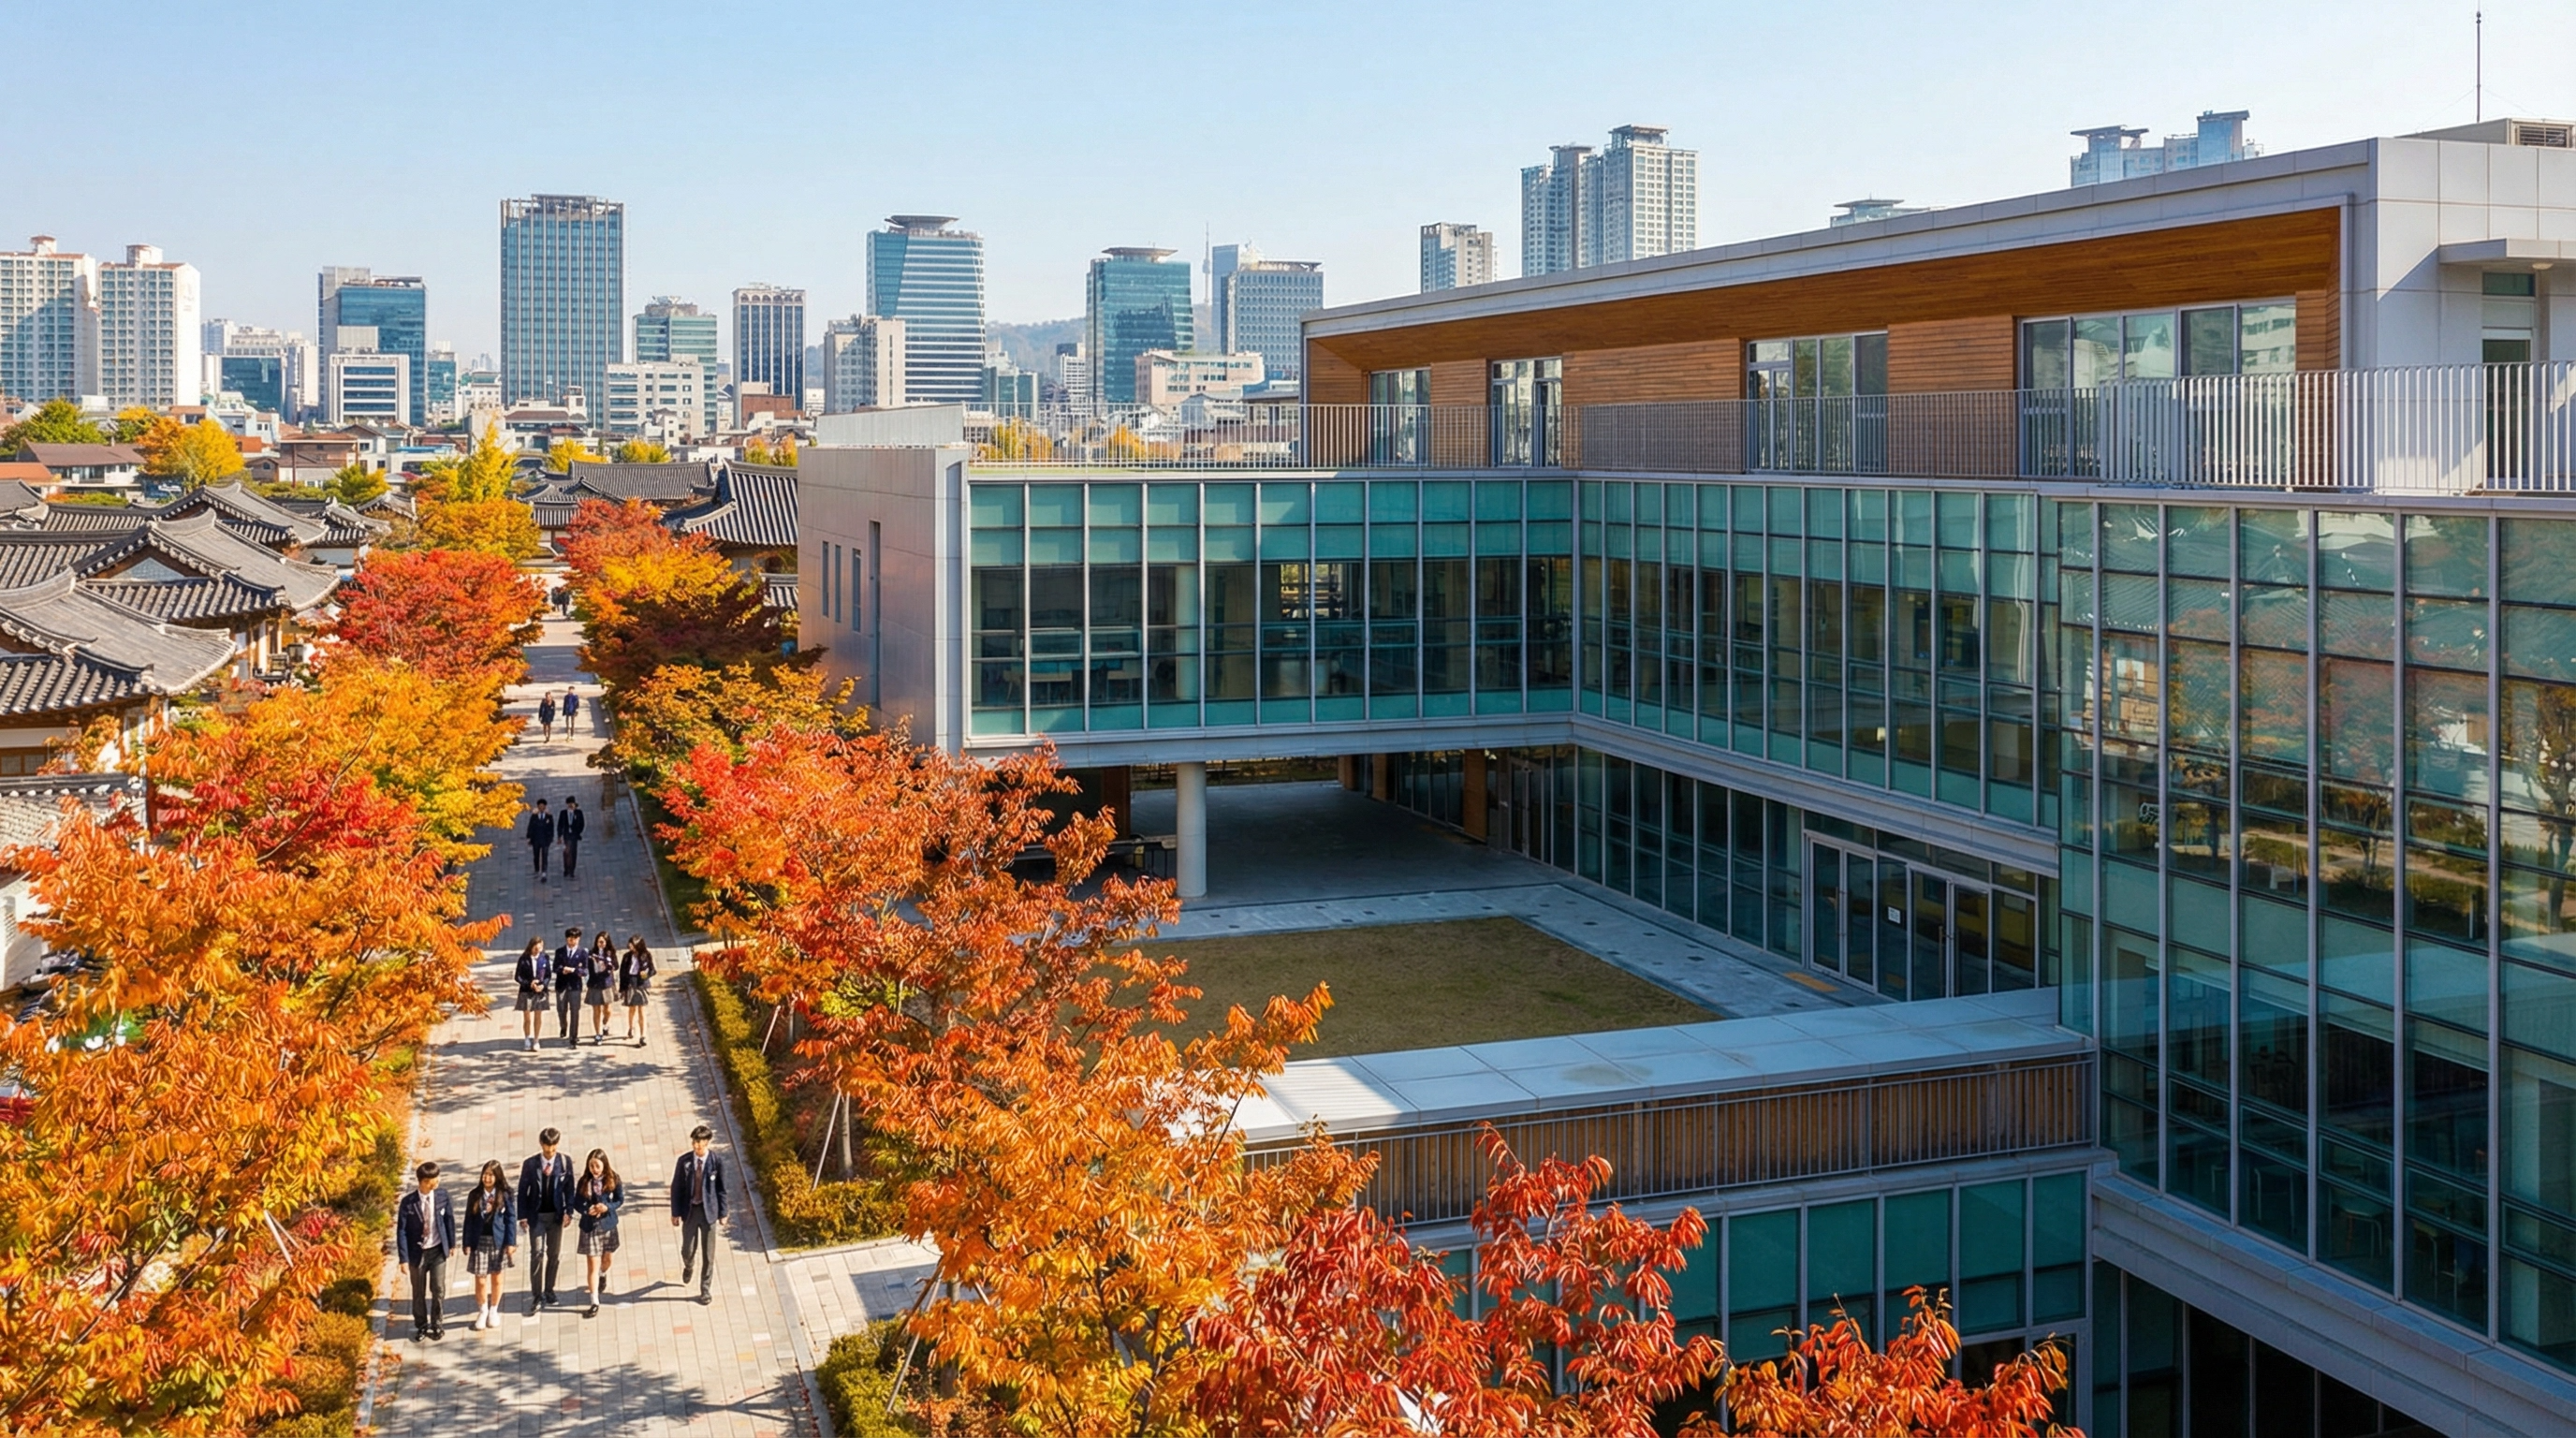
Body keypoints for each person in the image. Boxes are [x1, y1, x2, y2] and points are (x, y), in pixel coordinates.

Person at [396, 1161, 455, 1342]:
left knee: (438, 1288)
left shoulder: (443, 1196)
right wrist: (404, 1259)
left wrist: (451, 1244)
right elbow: (402, 1231)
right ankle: (421, 1324)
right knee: (418, 1291)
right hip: (417, 1253)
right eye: (432, 1180)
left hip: (437, 1250)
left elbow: (449, 1221)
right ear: (422, 1181)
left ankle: (437, 1323)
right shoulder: (408, 1203)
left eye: (437, 1179)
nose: (436, 1183)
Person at [517, 1128, 576, 1313]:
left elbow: (569, 1189)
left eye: (553, 1147)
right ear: (541, 1144)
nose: (550, 1150)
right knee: (537, 1254)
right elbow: (522, 1190)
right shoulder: (530, 1164)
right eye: (547, 1146)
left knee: (554, 1253)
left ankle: (549, 1290)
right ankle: (536, 1295)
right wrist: (523, 1215)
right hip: (537, 1217)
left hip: (556, 1216)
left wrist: (569, 1211)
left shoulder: (564, 1162)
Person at [669, 1123, 727, 1304]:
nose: (696, 1146)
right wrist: (675, 1212)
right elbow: (676, 1188)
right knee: (687, 1248)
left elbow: (722, 1190)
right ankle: (689, 1265)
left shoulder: (716, 1162)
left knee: (708, 1254)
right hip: (690, 1211)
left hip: (709, 1212)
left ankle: (705, 1289)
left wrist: (723, 1212)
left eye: (700, 1142)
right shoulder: (684, 1162)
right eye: (694, 1142)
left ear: (707, 1142)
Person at [461, 1160, 518, 1330]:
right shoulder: (475, 1195)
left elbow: (510, 1219)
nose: (487, 1178)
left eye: (491, 1175)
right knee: (480, 1278)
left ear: (497, 1176)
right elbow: (468, 1220)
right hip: (480, 1241)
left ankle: (494, 1309)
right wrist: (467, 1242)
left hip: (498, 1241)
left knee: (497, 1276)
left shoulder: (505, 1194)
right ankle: (483, 1309)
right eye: (485, 1174)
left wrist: (511, 1242)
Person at [574, 1148, 623, 1317]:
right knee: (592, 1265)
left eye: (597, 1166)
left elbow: (619, 1199)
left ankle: (603, 1274)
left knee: (607, 1259)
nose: (594, 1169)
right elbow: (577, 1203)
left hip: (608, 1225)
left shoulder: (613, 1179)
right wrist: (588, 1209)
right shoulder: (583, 1182)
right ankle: (594, 1301)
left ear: (604, 1165)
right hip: (590, 1227)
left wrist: (607, 1207)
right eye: (591, 1166)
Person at [512, 938, 549, 1050]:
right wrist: (529, 984)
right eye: (536, 948)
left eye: (540, 948)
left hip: (540, 991)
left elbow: (548, 975)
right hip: (526, 991)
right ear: (531, 947)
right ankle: (527, 1038)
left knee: (538, 1016)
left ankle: (536, 1039)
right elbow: (517, 976)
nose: (538, 950)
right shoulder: (524, 959)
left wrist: (543, 985)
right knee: (527, 1017)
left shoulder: (544, 958)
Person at [550, 927, 587, 1046]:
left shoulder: (582, 953)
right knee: (561, 1009)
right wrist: (562, 970)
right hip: (562, 984)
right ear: (567, 939)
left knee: (575, 1011)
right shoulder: (560, 952)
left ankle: (573, 1036)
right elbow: (555, 967)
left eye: (575, 939)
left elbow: (585, 971)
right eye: (571, 939)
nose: (573, 941)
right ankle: (563, 1026)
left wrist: (574, 970)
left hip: (575, 985)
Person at [619, 936, 657, 1046]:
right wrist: (622, 989)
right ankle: (631, 1027)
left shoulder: (646, 955)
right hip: (630, 983)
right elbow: (622, 973)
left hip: (641, 984)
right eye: (630, 944)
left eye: (632, 944)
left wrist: (646, 975)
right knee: (632, 1009)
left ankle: (643, 1035)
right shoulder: (626, 957)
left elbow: (653, 970)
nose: (630, 946)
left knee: (642, 1010)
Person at [585, 927, 617, 1044]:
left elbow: (616, 965)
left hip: (606, 983)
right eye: (599, 941)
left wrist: (609, 964)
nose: (601, 944)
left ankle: (605, 1023)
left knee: (607, 1009)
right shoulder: (592, 953)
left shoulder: (611, 953)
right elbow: (587, 966)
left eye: (603, 942)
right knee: (596, 1009)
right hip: (594, 983)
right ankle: (598, 1034)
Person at [524, 799, 555, 884]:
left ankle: (544, 872)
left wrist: (550, 838)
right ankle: (537, 869)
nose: (541, 808)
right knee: (536, 855)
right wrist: (529, 837)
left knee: (545, 856)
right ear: (538, 807)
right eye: (540, 806)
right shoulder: (534, 817)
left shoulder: (549, 817)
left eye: (543, 806)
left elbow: (551, 828)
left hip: (545, 840)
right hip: (536, 840)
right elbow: (530, 827)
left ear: (545, 807)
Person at [559, 797, 586, 881]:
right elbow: (560, 825)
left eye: (572, 804)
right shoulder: (563, 813)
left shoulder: (578, 813)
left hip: (574, 835)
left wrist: (578, 832)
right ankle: (566, 868)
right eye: (569, 804)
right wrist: (559, 835)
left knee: (573, 853)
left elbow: (582, 823)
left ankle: (572, 870)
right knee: (567, 852)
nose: (571, 806)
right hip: (566, 835)